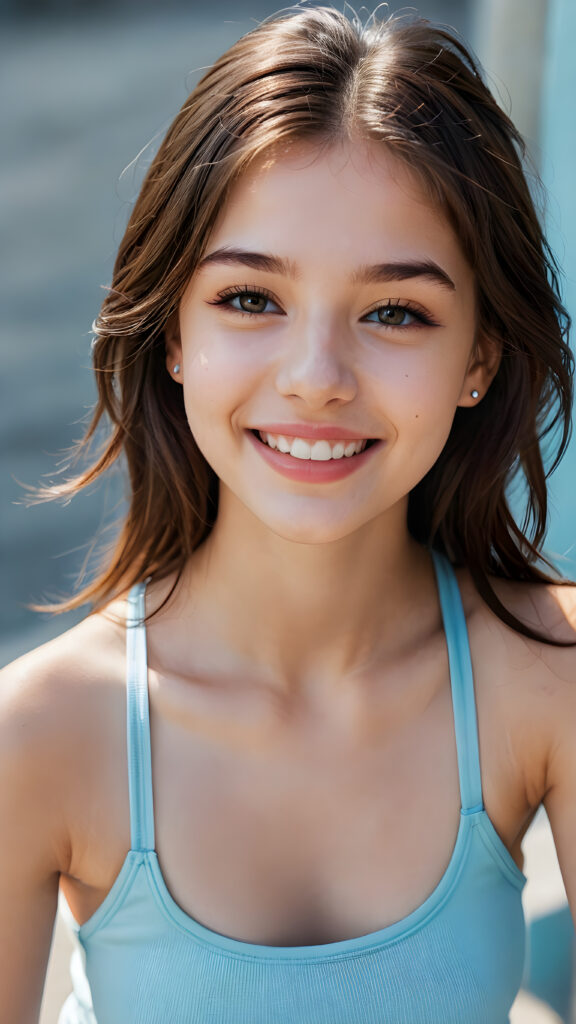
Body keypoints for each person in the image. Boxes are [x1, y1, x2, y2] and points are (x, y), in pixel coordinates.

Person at [1, 6, 575, 1023]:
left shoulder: (548, 676)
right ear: (173, 335)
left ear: (479, 357)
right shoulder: (43, 732)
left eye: (395, 312)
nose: (316, 377)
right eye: (250, 299)